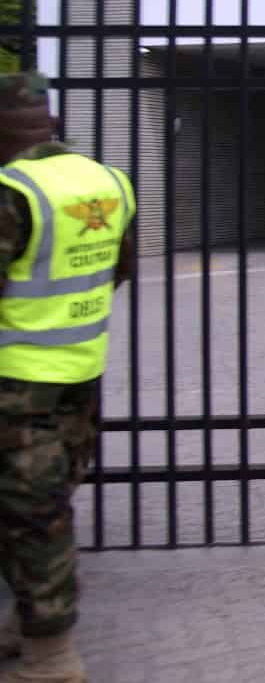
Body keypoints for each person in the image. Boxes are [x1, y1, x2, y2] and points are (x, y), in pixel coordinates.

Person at [0, 72, 135, 683]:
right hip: (81, 370)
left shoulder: (12, 191)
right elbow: (121, 268)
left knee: (33, 513)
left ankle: (50, 655)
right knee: (38, 504)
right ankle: (26, 619)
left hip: (16, 382)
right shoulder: (104, 181)